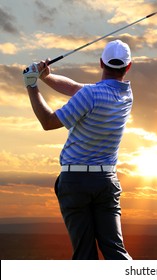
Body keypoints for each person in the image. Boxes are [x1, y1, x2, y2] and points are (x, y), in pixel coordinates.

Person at [22, 40, 133, 260]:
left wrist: (31, 85)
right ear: (128, 67)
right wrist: (46, 77)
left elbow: (48, 121)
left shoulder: (90, 95)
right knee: (115, 251)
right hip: (107, 181)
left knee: (84, 254)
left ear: (101, 62)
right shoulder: (126, 95)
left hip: (76, 181)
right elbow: (74, 88)